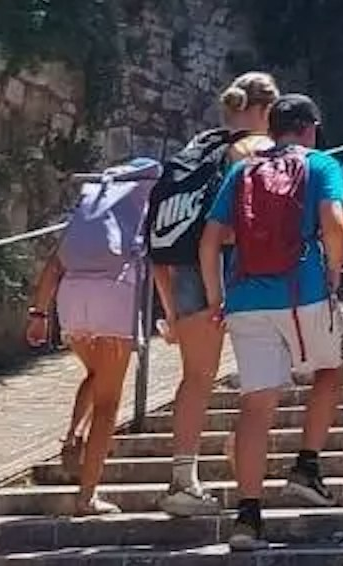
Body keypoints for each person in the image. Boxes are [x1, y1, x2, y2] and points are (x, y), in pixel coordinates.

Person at [202, 91, 343, 532]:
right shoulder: (321, 164)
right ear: (310, 129)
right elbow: (334, 223)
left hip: (245, 297)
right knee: (331, 370)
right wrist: (335, 271)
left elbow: (210, 240)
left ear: (272, 130)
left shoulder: (242, 170)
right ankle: (306, 465)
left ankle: (248, 517)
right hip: (303, 289)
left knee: (255, 405)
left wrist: (216, 299)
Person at [145, 72, 278, 520]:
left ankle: (183, 480)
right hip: (233, 267)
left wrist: (169, 309)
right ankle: (242, 452)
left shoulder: (197, 150)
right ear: (266, 110)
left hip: (184, 271)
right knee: (264, 372)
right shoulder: (257, 149)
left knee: (196, 378)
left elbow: (161, 237)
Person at [25, 154, 158, 518]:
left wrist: (38, 315)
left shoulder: (92, 207)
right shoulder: (143, 204)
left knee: (96, 373)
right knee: (108, 403)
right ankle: (87, 497)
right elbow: (160, 262)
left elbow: (55, 264)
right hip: (113, 294)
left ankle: (74, 434)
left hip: (73, 298)